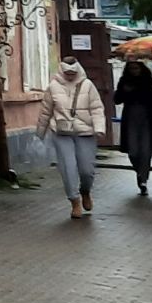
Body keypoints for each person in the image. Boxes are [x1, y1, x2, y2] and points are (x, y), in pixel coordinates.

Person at [40, 57, 106, 220]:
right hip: (62, 133)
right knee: (68, 168)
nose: (70, 75)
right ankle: (74, 201)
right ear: (62, 70)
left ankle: (85, 191)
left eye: (73, 73)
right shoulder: (53, 87)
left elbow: (97, 108)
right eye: (67, 73)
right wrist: (40, 132)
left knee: (87, 170)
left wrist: (99, 128)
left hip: (85, 132)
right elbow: (46, 111)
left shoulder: (87, 85)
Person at [116, 59, 152, 195]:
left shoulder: (149, 82)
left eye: (136, 68)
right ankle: (139, 172)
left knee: (146, 150)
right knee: (133, 151)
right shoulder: (124, 81)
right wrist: (124, 91)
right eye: (131, 68)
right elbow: (117, 99)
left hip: (147, 118)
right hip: (131, 117)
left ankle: (143, 179)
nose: (134, 71)